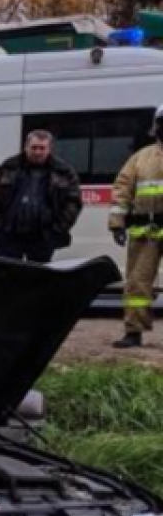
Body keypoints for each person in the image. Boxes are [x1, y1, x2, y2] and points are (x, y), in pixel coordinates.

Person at [0, 130, 83, 263]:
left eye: (42, 148)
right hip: (9, 235)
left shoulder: (63, 171)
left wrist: (57, 229)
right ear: (26, 147)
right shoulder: (9, 166)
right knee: (6, 278)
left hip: (43, 237)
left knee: (38, 279)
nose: (38, 152)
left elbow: (73, 202)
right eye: (34, 147)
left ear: (49, 149)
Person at [109, 105, 163, 349]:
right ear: (156, 126)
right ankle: (134, 332)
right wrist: (117, 224)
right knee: (137, 282)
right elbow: (122, 189)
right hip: (145, 230)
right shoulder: (141, 157)